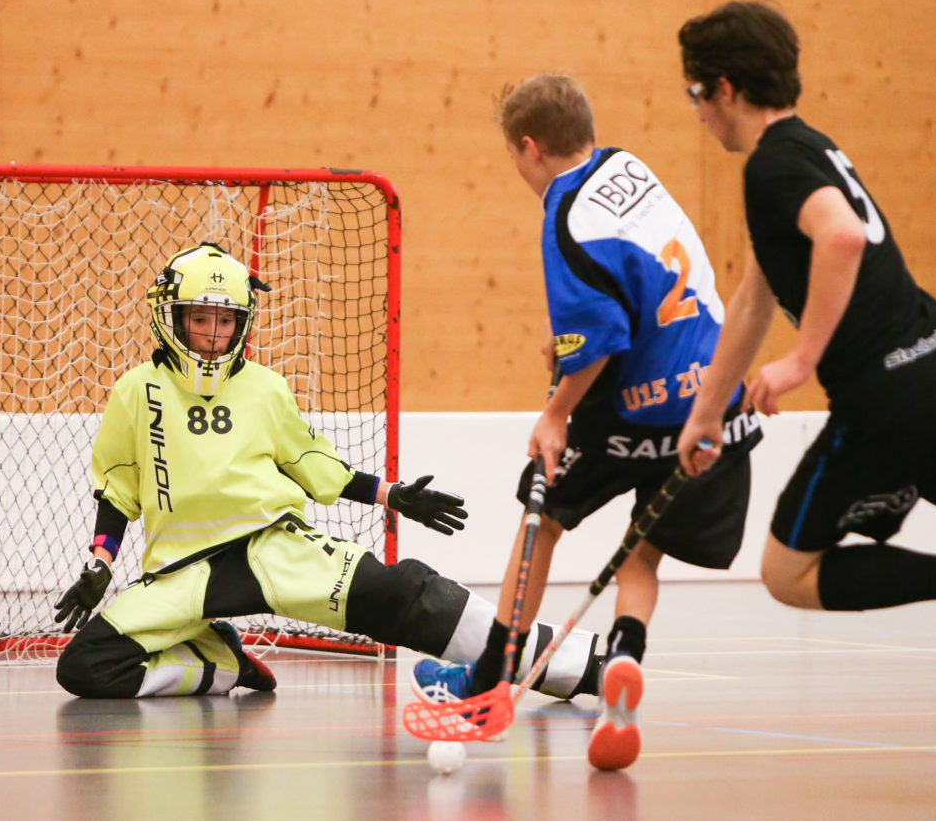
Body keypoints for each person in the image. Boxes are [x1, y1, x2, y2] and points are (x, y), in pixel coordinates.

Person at [52, 241, 603, 700]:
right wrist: (100, 564)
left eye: (226, 321)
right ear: (171, 316)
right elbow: (118, 492)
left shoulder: (266, 388)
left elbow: (317, 467)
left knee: (404, 591)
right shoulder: (134, 393)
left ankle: (577, 666)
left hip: (274, 548)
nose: (214, 334)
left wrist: (393, 495)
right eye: (201, 319)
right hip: (181, 572)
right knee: (84, 667)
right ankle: (220, 664)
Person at [413, 74, 760, 771]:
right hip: (714, 393)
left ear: (529, 147)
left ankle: (488, 680)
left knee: (541, 519)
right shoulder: (629, 167)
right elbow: (633, 288)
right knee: (643, 549)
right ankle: (625, 653)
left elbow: (601, 338)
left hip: (635, 401)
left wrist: (554, 413)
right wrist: (566, 341)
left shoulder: (563, 217)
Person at [675, 2, 936, 616]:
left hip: (885, 400)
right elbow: (754, 300)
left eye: (697, 93)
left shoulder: (772, 166)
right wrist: (706, 413)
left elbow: (843, 235)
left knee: (787, 572)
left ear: (727, 89)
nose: (697, 112)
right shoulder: (810, 149)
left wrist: (801, 360)